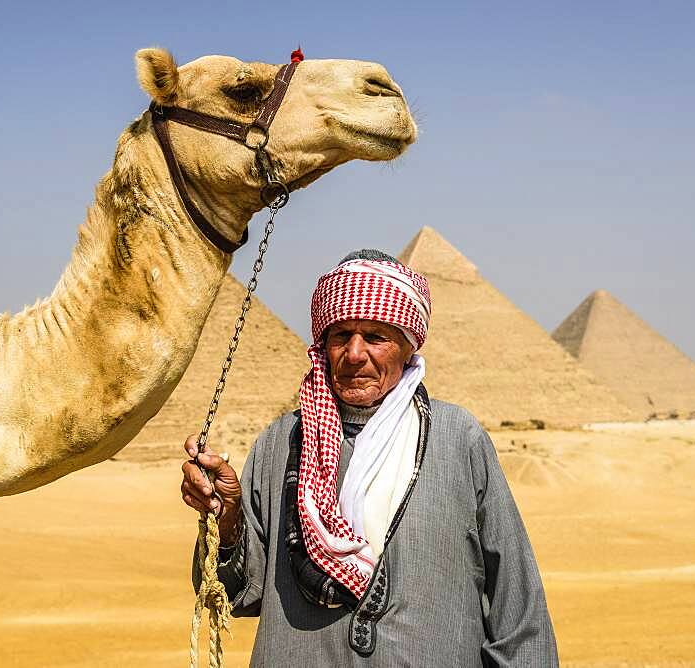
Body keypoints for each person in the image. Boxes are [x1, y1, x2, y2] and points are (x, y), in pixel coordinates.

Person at [180, 249, 558, 666]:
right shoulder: (281, 442)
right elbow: (235, 594)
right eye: (341, 336)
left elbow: (518, 607)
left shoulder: (457, 438)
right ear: (323, 345)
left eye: (375, 337)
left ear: (407, 346)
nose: (355, 354)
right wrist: (226, 516)